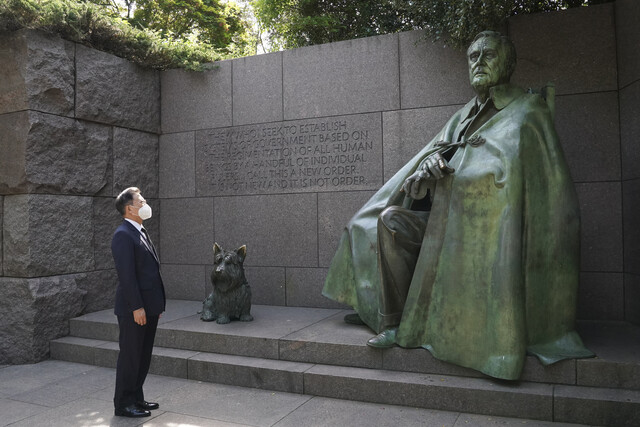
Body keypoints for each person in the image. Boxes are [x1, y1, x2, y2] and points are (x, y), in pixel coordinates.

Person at [322, 31, 593, 380]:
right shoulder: (464, 114)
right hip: (441, 226)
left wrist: (461, 179)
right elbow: (429, 164)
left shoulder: (529, 110)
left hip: (488, 236)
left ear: (507, 63)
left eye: (488, 54)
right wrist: (426, 171)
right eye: (472, 56)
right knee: (386, 220)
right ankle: (391, 321)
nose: (478, 61)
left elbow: (532, 187)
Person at [112, 187, 166, 417]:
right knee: (131, 356)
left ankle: (137, 398)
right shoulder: (123, 234)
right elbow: (127, 276)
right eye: (141, 201)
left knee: (143, 356)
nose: (145, 204)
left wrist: (155, 305)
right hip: (134, 308)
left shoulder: (140, 231)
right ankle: (123, 404)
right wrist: (137, 307)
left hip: (148, 306)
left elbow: (149, 272)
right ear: (130, 208)